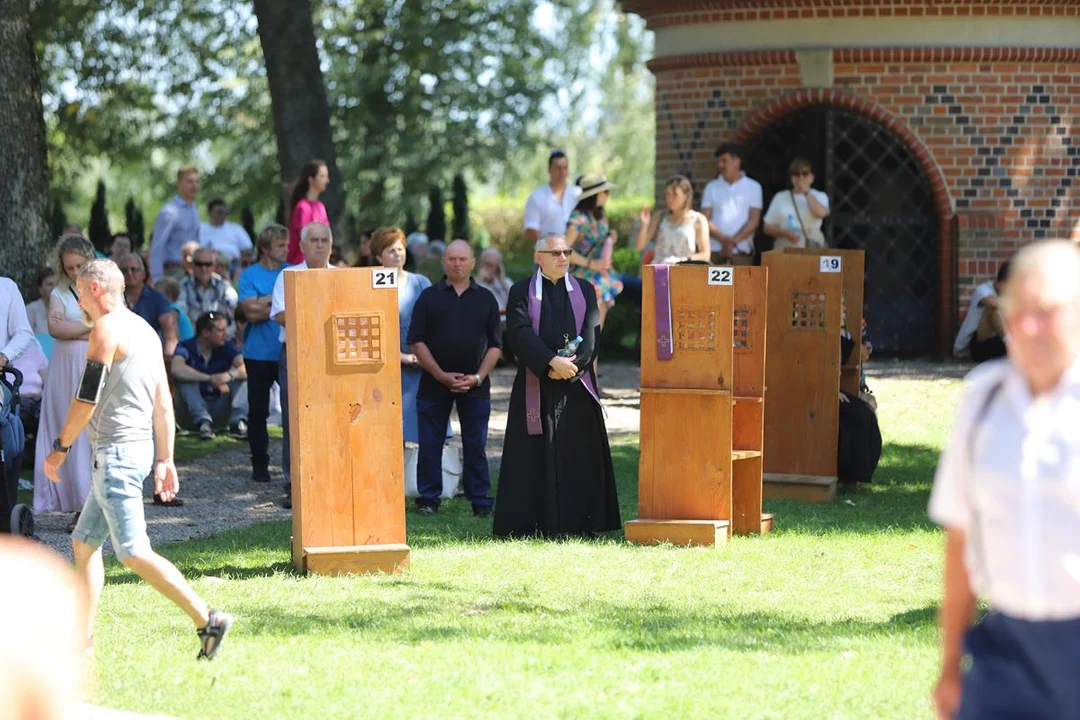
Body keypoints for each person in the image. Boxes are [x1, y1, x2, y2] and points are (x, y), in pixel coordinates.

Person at [43, 259, 233, 661]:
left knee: (131, 551)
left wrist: (60, 448)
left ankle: (208, 618)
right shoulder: (145, 330)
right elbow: (164, 401)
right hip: (136, 451)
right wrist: (165, 459)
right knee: (83, 543)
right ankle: (84, 641)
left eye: (79, 292)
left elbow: (86, 398)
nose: (78, 301)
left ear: (95, 290)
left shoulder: (106, 329)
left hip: (115, 456)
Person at [929, 240, 1080, 720]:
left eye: (1047, 311)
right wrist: (951, 663)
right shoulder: (983, 402)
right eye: (1018, 312)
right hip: (1003, 653)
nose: (1030, 328)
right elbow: (960, 542)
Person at [494, 235, 621, 538]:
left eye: (567, 251)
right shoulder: (521, 291)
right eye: (556, 252)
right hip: (537, 383)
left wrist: (571, 368)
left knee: (579, 452)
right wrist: (550, 362)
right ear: (539, 257)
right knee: (533, 456)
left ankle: (583, 521)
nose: (564, 257)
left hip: (576, 386)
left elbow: (592, 333)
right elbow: (519, 333)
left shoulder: (585, 290)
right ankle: (533, 522)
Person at [408, 240, 501, 516]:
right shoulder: (429, 297)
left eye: (462, 259)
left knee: (476, 444)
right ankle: (428, 498)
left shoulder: (486, 298)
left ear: (473, 262)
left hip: (475, 385)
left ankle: (480, 499)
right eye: (451, 259)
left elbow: (496, 345)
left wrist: (477, 377)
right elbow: (416, 341)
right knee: (430, 443)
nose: (456, 264)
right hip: (434, 382)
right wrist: (440, 375)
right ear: (443, 262)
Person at [272, 221, 335, 509]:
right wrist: (317, 315)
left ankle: (327, 479)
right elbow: (281, 314)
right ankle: (292, 485)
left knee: (331, 416)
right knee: (294, 419)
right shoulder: (288, 275)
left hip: (330, 355)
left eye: (324, 240)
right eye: (315, 240)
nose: (320, 245)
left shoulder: (341, 277)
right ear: (303, 245)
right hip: (296, 354)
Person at [33, 235, 95, 520]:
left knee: (89, 429)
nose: (74, 272)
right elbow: (55, 328)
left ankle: (90, 502)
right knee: (64, 427)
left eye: (79, 266)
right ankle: (70, 499)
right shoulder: (59, 292)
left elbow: (110, 323)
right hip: (64, 367)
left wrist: (78, 329)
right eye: (69, 267)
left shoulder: (102, 289)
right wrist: (87, 329)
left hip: (91, 363)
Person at [238, 224, 288, 483]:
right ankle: (260, 463)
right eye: (280, 245)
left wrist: (263, 301)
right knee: (258, 411)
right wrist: (277, 302)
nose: (286, 249)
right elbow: (249, 312)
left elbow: (260, 309)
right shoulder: (248, 275)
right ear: (266, 248)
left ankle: (293, 466)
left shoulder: (290, 273)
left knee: (293, 410)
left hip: (285, 350)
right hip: (257, 352)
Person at [171, 312, 247, 440]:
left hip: (219, 410)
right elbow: (176, 368)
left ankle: (238, 424)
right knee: (185, 380)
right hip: (190, 415)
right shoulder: (186, 347)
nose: (225, 335)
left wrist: (229, 375)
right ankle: (203, 424)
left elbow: (246, 368)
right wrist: (209, 379)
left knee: (241, 378)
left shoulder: (227, 346)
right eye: (220, 331)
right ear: (206, 332)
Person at [566, 174, 623, 329]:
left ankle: (594, 353)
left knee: (596, 331)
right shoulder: (578, 218)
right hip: (583, 277)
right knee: (584, 330)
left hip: (601, 277)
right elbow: (564, 249)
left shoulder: (600, 215)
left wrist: (609, 237)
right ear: (595, 195)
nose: (607, 196)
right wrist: (590, 263)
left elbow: (596, 239)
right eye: (605, 192)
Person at [700, 143, 763, 265]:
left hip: (741, 252)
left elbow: (754, 220)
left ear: (737, 162)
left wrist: (733, 242)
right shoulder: (711, 187)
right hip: (715, 251)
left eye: (724, 161)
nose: (720, 165)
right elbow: (704, 219)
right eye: (719, 161)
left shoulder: (753, 187)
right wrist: (724, 240)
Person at [635, 175, 711, 265]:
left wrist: (685, 260)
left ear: (686, 196)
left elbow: (705, 255)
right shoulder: (660, 217)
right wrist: (645, 225)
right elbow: (640, 246)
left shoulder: (698, 220)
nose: (670, 199)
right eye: (668, 194)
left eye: (675, 194)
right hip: (660, 271)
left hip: (683, 270)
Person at [117, 254, 180, 359]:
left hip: (149, 354)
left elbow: (169, 328)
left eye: (134, 269)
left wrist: (168, 355)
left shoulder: (157, 298)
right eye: (124, 270)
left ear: (143, 273)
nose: (129, 273)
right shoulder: (112, 298)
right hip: (118, 353)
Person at [763, 157, 831, 250]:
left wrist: (806, 192)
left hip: (811, 245)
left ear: (812, 177)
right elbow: (767, 227)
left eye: (805, 174)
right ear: (791, 178)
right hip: (785, 245)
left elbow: (820, 213)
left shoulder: (819, 195)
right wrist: (784, 233)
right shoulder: (780, 197)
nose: (800, 178)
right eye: (796, 174)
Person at [149, 166, 201, 280]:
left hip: (193, 272)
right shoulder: (169, 212)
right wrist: (156, 278)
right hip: (173, 272)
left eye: (197, 182)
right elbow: (157, 246)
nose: (194, 186)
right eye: (190, 181)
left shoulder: (195, 211)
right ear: (179, 184)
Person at [953, 261, 1010, 363]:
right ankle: (1011, 345)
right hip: (978, 345)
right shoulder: (983, 290)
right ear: (1002, 283)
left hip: (998, 342)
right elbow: (992, 303)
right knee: (994, 310)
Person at [178, 247, 239, 339]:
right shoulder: (183, 286)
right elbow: (183, 315)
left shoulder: (224, 286)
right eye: (199, 264)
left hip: (222, 337)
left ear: (214, 266)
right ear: (192, 265)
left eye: (208, 264)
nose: (203, 268)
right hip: (194, 338)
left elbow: (235, 310)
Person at [524, 150, 582, 243]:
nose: (562, 172)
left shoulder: (578, 193)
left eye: (565, 168)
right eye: (557, 168)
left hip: (576, 254)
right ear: (549, 169)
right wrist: (550, 247)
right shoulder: (536, 197)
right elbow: (531, 229)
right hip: (548, 254)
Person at [286, 160, 330, 265]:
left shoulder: (320, 206)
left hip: (319, 263)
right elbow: (306, 240)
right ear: (311, 179)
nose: (327, 180)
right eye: (322, 176)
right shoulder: (302, 208)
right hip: (302, 264)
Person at [200, 198, 253, 263]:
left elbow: (247, 250)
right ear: (210, 212)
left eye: (225, 212)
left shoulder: (236, 229)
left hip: (234, 264)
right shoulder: (200, 229)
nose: (223, 215)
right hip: (207, 264)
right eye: (219, 212)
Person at [154, 277, 195, 343]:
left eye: (157, 294)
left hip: (186, 347)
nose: (154, 296)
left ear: (169, 296)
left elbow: (173, 335)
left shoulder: (172, 310)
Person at [25, 265, 56, 336]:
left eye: (58, 284)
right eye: (50, 284)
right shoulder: (31, 310)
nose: (55, 288)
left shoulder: (70, 308)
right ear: (40, 289)